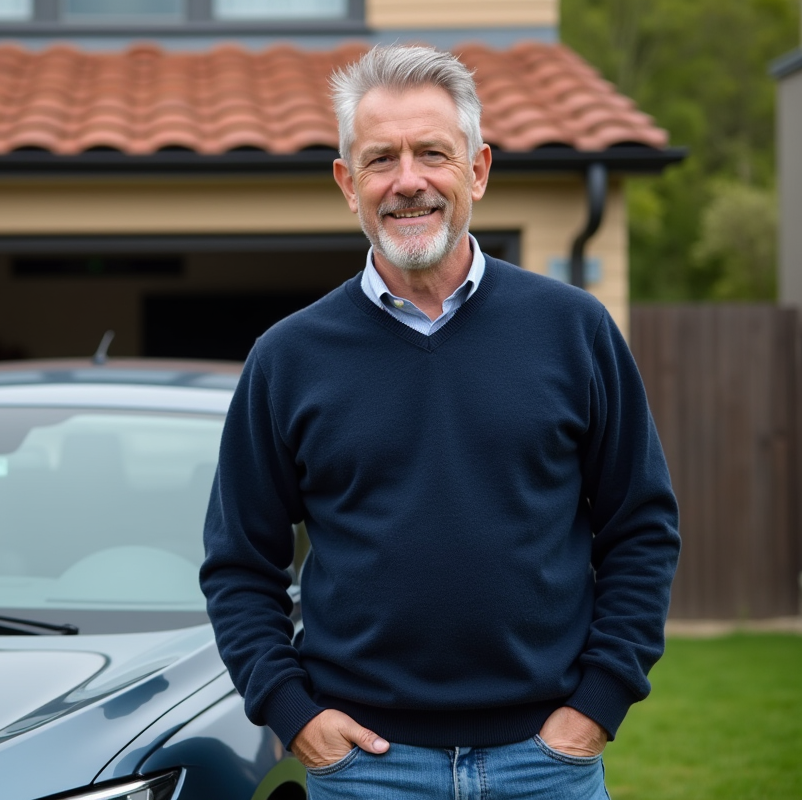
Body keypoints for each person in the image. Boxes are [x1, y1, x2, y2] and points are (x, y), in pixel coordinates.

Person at [199, 45, 680, 799]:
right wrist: (292, 713)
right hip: (363, 770)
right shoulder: (287, 358)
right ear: (346, 182)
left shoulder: (573, 330)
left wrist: (597, 704)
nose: (408, 181)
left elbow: (641, 528)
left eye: (433, 152)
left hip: (545, 764)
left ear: (479, 171)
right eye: (380, 158)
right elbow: (238, 564)